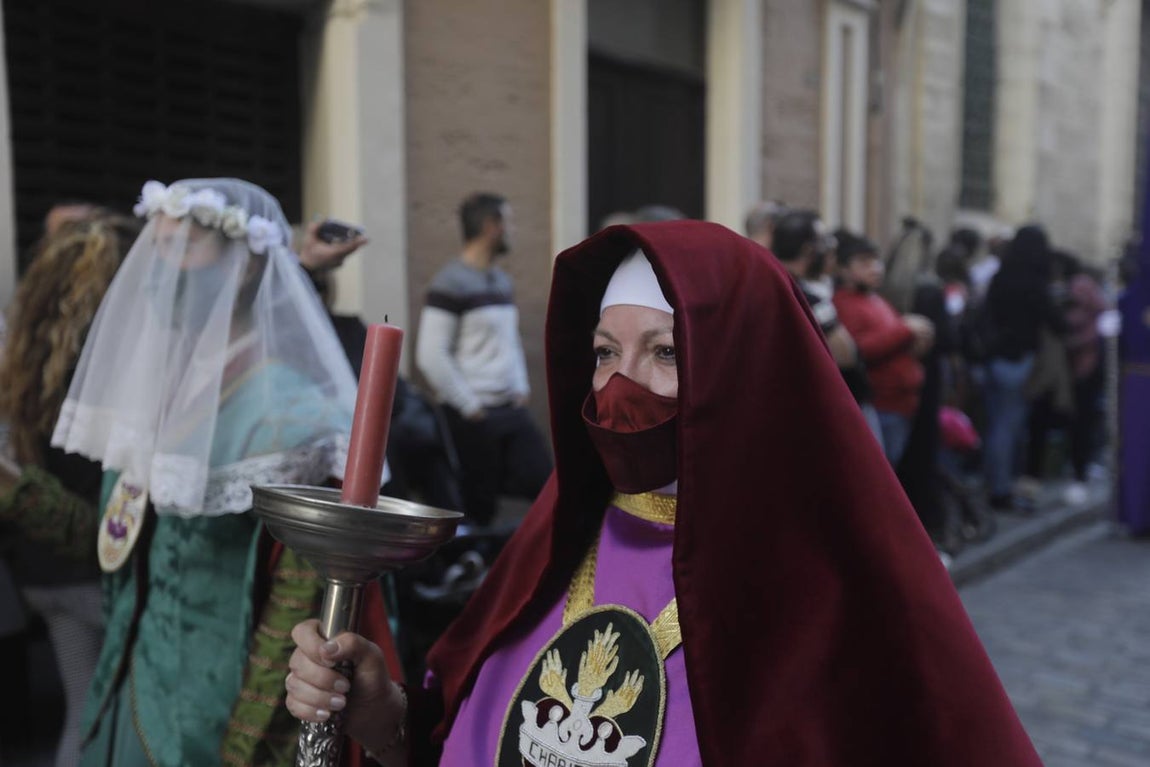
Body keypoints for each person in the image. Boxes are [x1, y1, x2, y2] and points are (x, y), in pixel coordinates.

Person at [284, 221, 1042, 765]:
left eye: (666, 353)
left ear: (740, 371)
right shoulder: (555, 544)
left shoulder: (827, 595)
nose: (621, 388)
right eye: (605, 353)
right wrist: (386, 723)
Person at [46, 178, 383, 766]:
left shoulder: (291, 413)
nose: (163, 266)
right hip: (128, 696)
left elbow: (299, 608)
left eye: (187, 247)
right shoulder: (160, 388)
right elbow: (122, 540)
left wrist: (250, 742)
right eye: (160, 244)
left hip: (214, 721)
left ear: (247, 265)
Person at [0, 213, 140, 767]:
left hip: (42, 571)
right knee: (125, 715)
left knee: (83, 708)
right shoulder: (110, 361)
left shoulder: (24, 362)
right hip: (99, 572)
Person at [416, 192, 551, 527]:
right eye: (510, 221)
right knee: (479, 508)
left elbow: (509, 340)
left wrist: (520, 386)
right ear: (493, 227)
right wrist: (469, 405)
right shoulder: (450, 283)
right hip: (472, 418)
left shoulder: (501, 281)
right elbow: (430, 354)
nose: (513, 230)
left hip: (511, 409)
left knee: (546, 484)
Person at [769, 210, 881, 443]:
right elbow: (845, 354)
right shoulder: (804, 296)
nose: (832, 252)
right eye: (826, 243)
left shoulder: (770, 282)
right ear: (809, 251)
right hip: (828, 411)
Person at [980, 225, 1064, 510]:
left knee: (996, 424)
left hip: (993, 357)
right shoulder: (1034, 283)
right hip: (1018, 359)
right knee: (1008, 425)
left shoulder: (1001, 277)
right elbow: (1055, 321)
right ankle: (1001, 490)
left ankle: (994, 483)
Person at [834, 231, 935, 465]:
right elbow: (857, 351)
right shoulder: (843, 303)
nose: (875, 268)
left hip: (900, 405)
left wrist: (915, 342)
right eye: (864, 263)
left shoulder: (875, 299)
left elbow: (890, 339)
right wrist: (906, 329)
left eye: (876, 261)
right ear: (844, 269)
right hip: (881, 406)